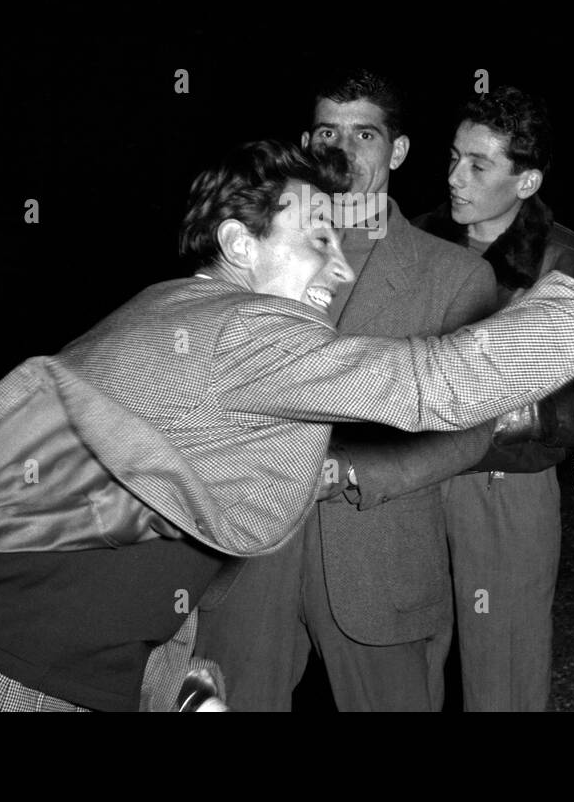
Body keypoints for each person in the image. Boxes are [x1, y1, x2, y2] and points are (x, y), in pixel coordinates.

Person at [0, 138, 574, 712]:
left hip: (31, 674)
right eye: (315, 239)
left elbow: (126, 544)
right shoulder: (234, 328)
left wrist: (177, 686)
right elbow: (439, 386)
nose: (336, 266)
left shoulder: (174, 318)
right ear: (237, 245)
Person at [196, 69, 500, 712]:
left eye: (365, 132)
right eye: (327, 130)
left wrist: (354, 470)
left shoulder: (455, 273)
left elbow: (470, 429)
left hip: (376, 551)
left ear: (399, 151)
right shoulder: (252, 250)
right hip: (250, 550)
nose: (342, 147)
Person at [414, 84, 574, 711]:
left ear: (527, 181)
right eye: (452, 157)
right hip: (409, 483)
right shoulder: (416, 241)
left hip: (503, 492)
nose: (455, 178)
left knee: (505, 679)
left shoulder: (570, 267)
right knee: (406, 670)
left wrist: (525, 417)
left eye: (478, 165)